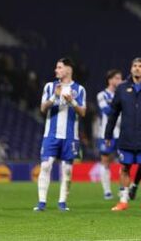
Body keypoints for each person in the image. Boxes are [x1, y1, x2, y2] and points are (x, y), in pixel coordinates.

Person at [106, 57, 141, 211]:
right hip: (126, 136)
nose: (137, 68)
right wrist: (108, 134)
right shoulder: (122, 88)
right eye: (134, 66)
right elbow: (113, 113)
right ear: (131, 69)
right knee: (124, 168)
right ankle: (123, 201)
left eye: (140, 66)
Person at [35, 58, 87, 212]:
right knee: (45, 166)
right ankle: (42, 202)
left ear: (68, 69)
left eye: (59, 67)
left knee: (67, 170)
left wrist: (72, 101)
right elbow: (43, 108)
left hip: (71, 136)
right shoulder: (50, 87)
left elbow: (83, 112)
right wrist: (54, 97)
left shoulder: (80, 89)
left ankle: (62, 202)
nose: (56, 70)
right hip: (51, 135)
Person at [97, 69, 124, 200]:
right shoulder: (102, 95)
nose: (119, 81)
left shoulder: (123, 94)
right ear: (110, 80)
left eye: (120, 78)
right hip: (106, 133)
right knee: (105, 161)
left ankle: (122, 189)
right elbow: (106, 110)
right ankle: (107, 191)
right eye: (117, 78)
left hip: (122, 133)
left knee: (124, 161)